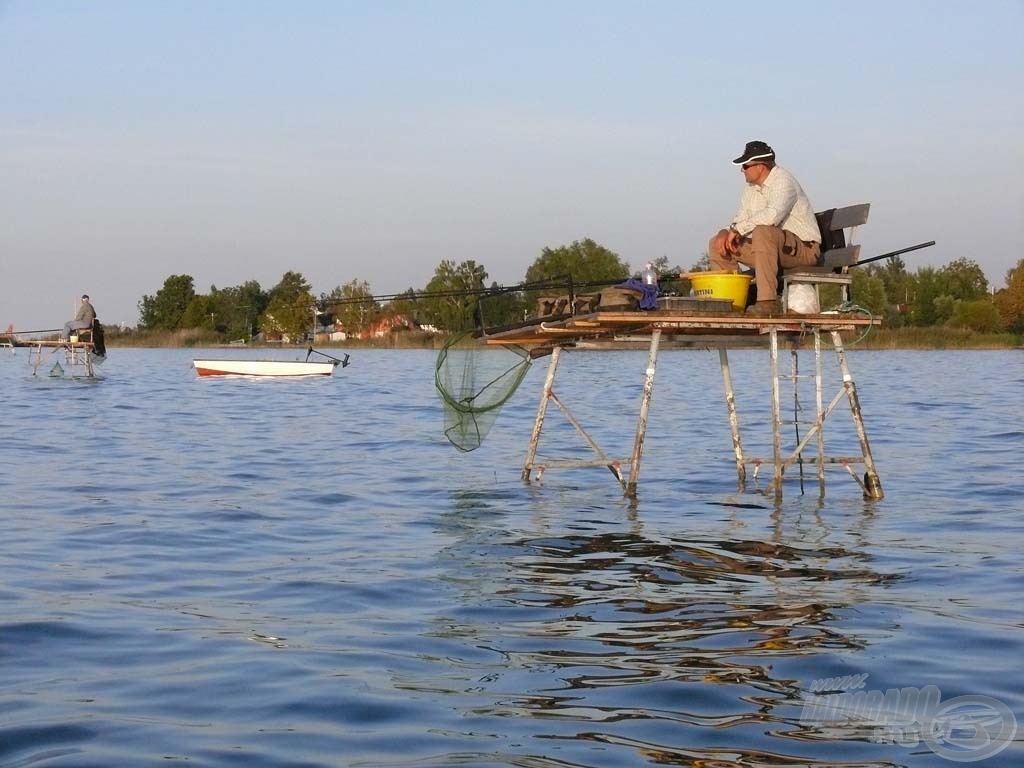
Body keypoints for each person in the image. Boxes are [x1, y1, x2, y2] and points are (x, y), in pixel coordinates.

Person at [708, 141, 821, 315]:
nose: (742, 170)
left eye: (745, 166)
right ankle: (733, 304)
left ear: (760, 166)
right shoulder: (751, 190)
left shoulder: (784, 182)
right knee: (718, 242)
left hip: (804, 250)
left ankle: (767, 303)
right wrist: (726, 231)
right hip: (772, 250)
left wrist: (736, 229)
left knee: (762, 231)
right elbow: (740, 219)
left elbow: (771, 217)